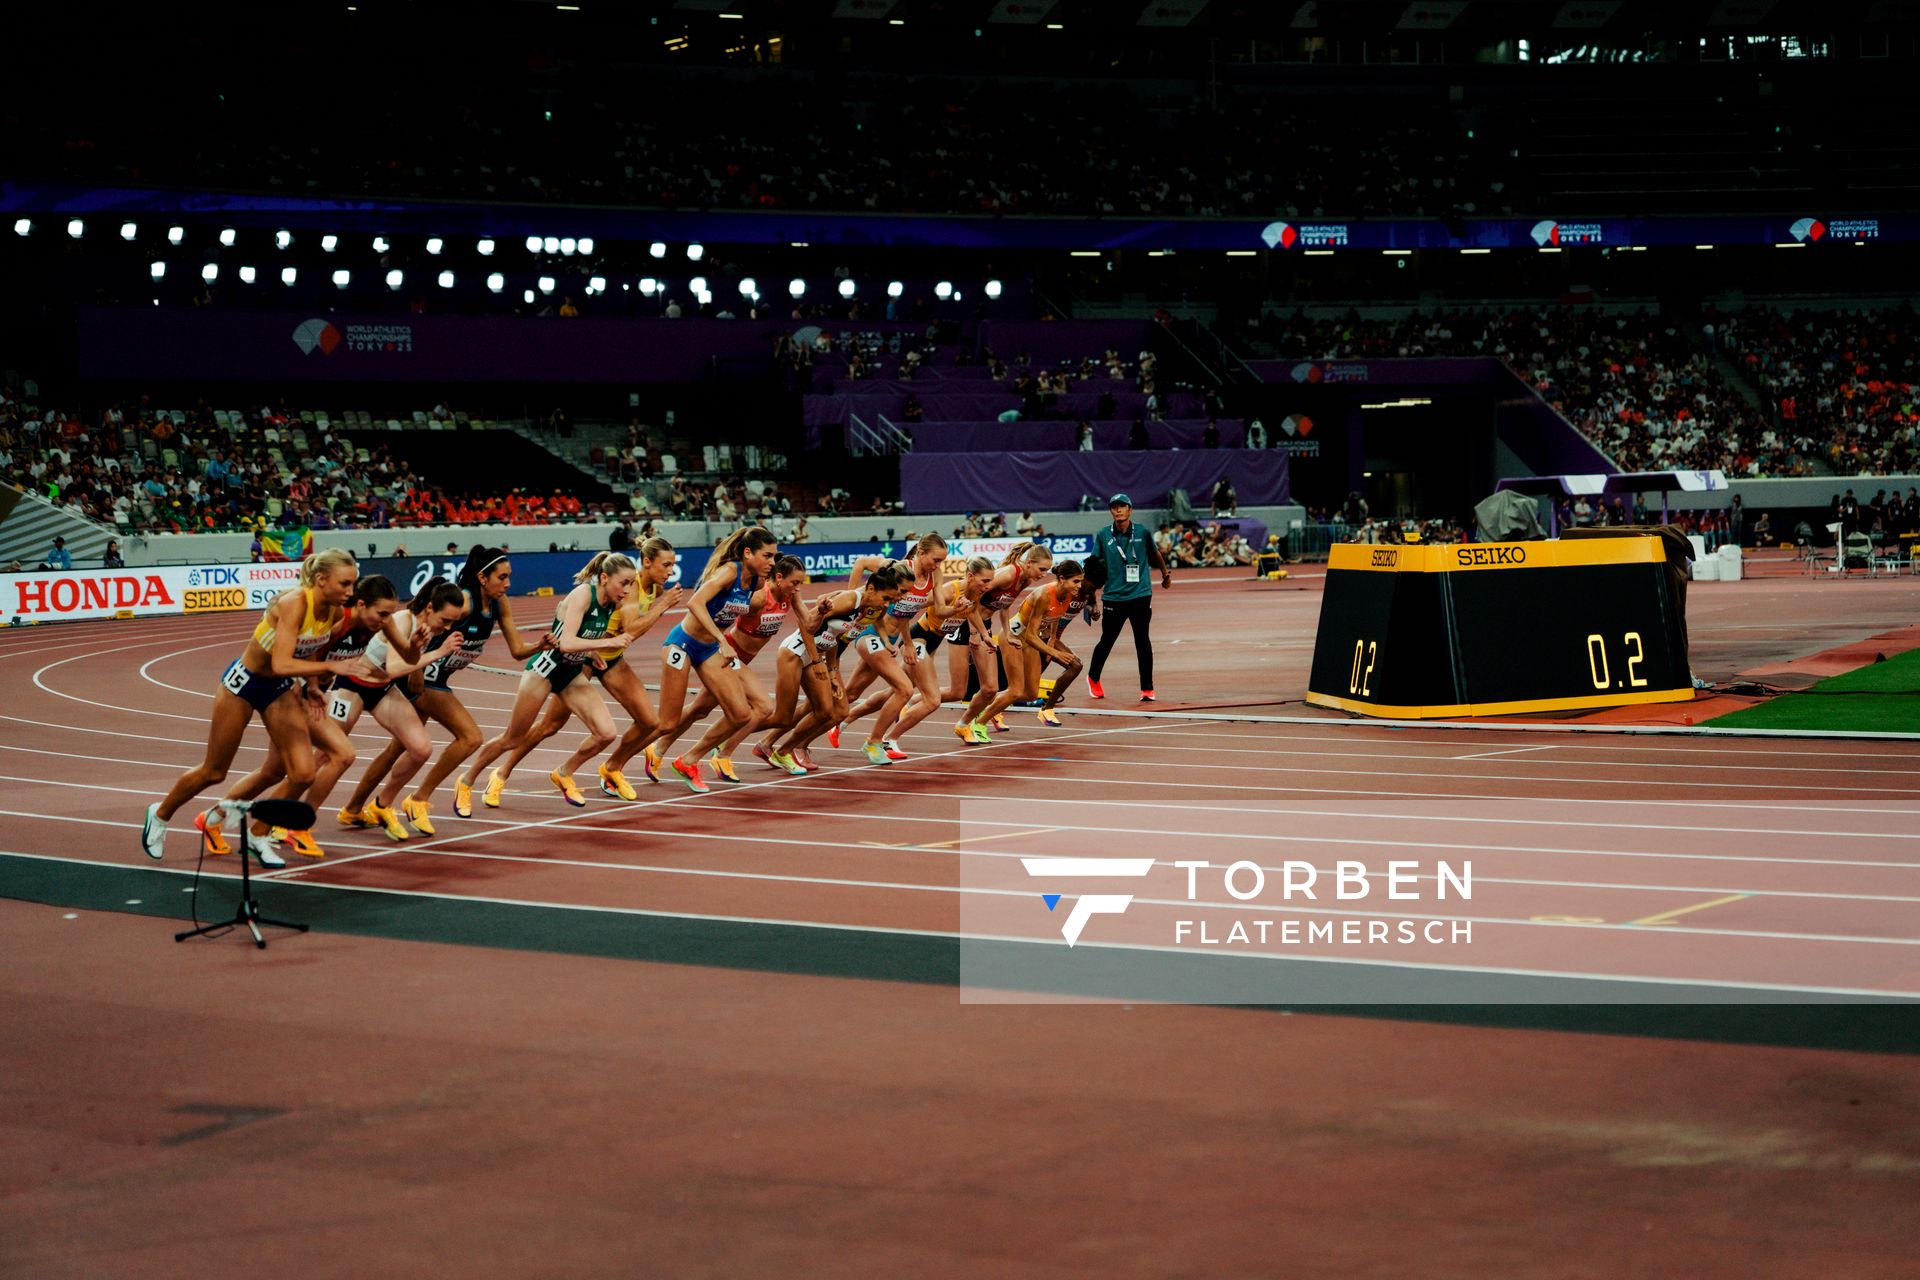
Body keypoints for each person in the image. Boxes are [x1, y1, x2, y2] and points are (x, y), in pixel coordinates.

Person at [141, 549, 364, 865]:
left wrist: (313, 685)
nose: (350, 592)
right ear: (321, 579)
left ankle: (258, 836)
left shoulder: (333, 611)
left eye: (353, 584)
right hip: (243, 685)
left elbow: (311, 646)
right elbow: (282, 663)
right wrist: (330, 667)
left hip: (278, 690)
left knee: (302, 774)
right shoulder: (295, 603)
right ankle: (160, 814)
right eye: (344, 584)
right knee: (214, 772)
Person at [340, 545, 554, 827]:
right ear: (482, 578)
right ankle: (418, 799)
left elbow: (516, 651)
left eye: (508, 577)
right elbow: (425, 621)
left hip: (434, 677)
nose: (508, 584)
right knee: (470, 737)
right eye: (502, 577)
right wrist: (416, 666)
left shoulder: (499, 604)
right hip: (424, 677)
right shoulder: (464, 603)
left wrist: (539, 645)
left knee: (399, 750)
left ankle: (357, 807)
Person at [458, 552, 640, 809]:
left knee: (606, 733)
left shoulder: (613, 603)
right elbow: (566, 643)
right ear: (604, 578)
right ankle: (467, 780)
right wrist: (608, 643)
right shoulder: (583, 595)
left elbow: (584, 636)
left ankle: (564, 773)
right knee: (512, 738)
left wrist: (591, 652)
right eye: (624, 583)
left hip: (570, 673)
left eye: (631, 584)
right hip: (544, 669)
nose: (628, 590)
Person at [1086, 493, 1171, 703]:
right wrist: (1091, 601)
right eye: (1114, 507)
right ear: (1111, 511)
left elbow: (1156, 554)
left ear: (1130, 510)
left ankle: (1147, 688)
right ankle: (1093, 677)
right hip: (1113, 597)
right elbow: (1093, 567)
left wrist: (1165, 575)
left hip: (1140, 594)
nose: (1118, 510)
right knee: (1107, 641)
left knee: (1142, 641)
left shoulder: (1142, 532)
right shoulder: (1103, 535)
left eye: (1122, 506)